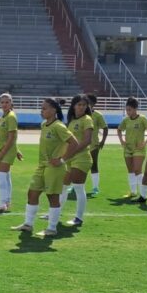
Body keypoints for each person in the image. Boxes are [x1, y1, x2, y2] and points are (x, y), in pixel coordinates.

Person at [11, 98, 79, 237]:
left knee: (53, 197)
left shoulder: (59, 126)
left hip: (54, 168)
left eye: (44, 108)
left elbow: (74, 143)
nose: (41, 111)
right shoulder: (44, 124)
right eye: (41, 108)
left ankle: (52, 228)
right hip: (42, 166)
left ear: (54, 110)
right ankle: (28, 224)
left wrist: (61, 159)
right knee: (32, 193)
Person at [59, 94, 95, 226]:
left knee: (78, 188)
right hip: (70, 158)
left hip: (81, 158)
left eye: (84, 105)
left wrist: (70, 153)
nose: (81, 107)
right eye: (79, 104)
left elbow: (87, 140)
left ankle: (79, 218)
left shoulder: (87, 119)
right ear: (73, 106)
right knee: (63, 186)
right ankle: (55, 212)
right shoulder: (72, 120)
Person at [0, 93, 23, 212]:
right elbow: (10, 137)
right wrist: (17, 150)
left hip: (6, 150)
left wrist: (2, 153)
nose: (4, 104)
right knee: (5, 175)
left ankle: (2, 203)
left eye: (7, 102)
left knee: (1, 175)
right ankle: (6, 201)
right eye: (2, 102)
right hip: (6, 149)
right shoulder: (4, 116)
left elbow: (12, 137)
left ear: (11, 103)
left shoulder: (11, 117)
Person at [117, 97, 147, 198]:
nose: (127, 112)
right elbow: (119, 130)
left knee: (137, 170)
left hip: (138, 149)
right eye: (126, 110)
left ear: (135, 109)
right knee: (130, 171)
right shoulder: (126, 120)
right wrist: (122, 140)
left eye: (129, 110)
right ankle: (133, 191)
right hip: (128, 149)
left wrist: (145, 143)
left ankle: (143, 193)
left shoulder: (143, 119)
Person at [86, 94, 109, 196]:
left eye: (88, 102)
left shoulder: (98, 115)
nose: (86, 104)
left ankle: (95, 188)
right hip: (81, 145)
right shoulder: (81, 114)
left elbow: (105, 128)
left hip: (93, 144)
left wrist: (103, 141)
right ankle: (75, 185)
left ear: (93, 104)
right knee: (78, 165)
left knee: (94, 165)